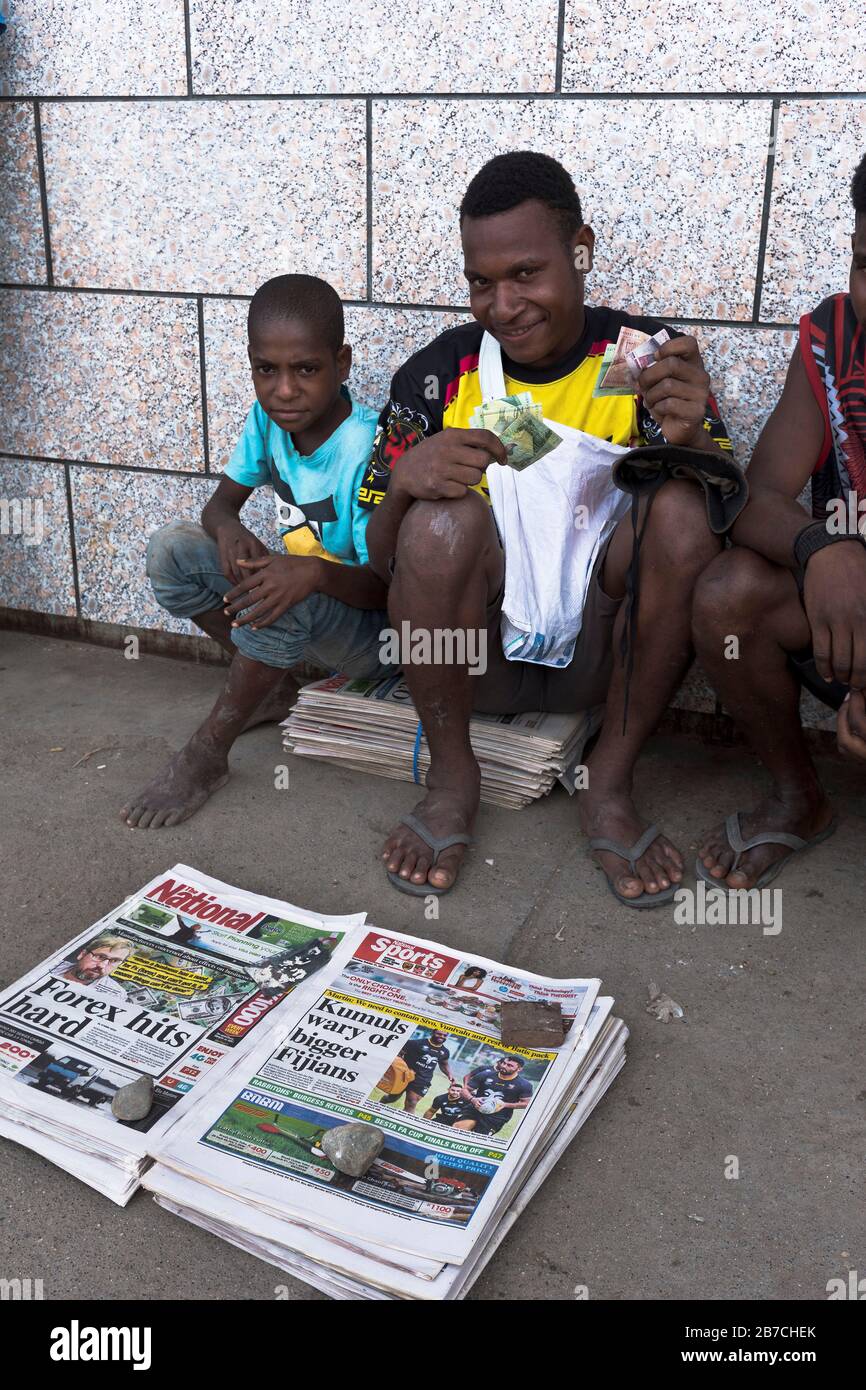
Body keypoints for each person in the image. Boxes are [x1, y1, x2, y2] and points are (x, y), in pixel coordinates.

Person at [362, 151, 732, 904]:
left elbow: (724, 528)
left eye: (526, 273)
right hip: (475, 662)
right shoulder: (439, 377)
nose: (503, 304)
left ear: (581, 250)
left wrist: (692, 443)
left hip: (603, 660)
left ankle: (611, 780)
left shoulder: (642, 361)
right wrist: (404, 486)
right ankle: (454, 775)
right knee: (438, 526)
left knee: (686, 510)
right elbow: (376, 559)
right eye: (480, 282)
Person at [121, 274, 391, 829]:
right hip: (303, 597)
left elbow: (385, 585)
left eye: (306, 370)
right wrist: (227, 531)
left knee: (280, 592)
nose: (284, 390)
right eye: (267, 369)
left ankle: (206, 755)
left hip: (371, 636)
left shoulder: (369, 447)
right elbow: (218, 507)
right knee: (171, 550)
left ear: (341, 364)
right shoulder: (268, 420)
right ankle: (272, 690)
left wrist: (311, 574)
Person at [693, 151, 866, 889]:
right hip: (849, 618)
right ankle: (800, 797)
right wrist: (822, 547)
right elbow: (755, 495)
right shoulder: (835, 337)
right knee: (730, 592)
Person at [452, 1054, 534, 1135]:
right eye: (504, 1063)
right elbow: (464, 1090)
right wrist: (472, 1099)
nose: (504, 1066)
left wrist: (505, 1105)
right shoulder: (485, 1075)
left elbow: (526, 1104)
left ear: (519, 1069)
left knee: (477, 1138)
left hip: (497, 1117)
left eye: (509, 1065)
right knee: (458, 1129)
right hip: (475, 1109)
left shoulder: (524, 1085)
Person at [380, 1028, 454, 1114]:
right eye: (439, 1034)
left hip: (422, 1080)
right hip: (404, 1076)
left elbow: (444, 1064)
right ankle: (378, 1105)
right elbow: (399, 1053)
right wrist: (399, 1066)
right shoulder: (415, 1043)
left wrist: (449, 1074)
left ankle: (403, 1123)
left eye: (445, 1035)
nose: (442, 1036)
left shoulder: (445, 1052)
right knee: (391, 1098)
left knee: (412, 1102)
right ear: (433, 1033)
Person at [58, 935, 132, 985]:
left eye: (114, 961)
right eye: (100, 956)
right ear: (82, 954)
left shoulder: (116, 994)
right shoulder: (52, 966)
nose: (102, 966)